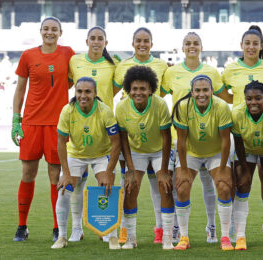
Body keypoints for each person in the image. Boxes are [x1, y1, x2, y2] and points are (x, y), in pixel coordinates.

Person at [161, 32, 231, 244]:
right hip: (186, 143)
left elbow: (226, 98)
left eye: (195, 43)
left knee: (218, 185)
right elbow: (158, 94)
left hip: (213, 145)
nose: (192, 46)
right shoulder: (172, 74)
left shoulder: (212, 73)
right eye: (188, 43)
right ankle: (180, 232)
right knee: (180, 185)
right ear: (182, 47)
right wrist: (182, 167)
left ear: (201, 46)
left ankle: (215, 228)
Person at [11, 16, 75, 242]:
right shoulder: (28, 55)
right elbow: (20, 89)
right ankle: (21, 226)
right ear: (40, 31)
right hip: (31, 122)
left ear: (61, 32)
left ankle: (58, 227)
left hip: (57, 124)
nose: (50, 32)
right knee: (28, 173)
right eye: (46, 28)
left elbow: (75, 78)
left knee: (54, 175)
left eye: (54, 29)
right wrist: (16, 120)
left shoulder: (68, 53)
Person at [222, 25, 263, 243]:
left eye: (255, 43)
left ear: (261, 46)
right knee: (241, 181)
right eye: (247, 43)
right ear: (241, 46)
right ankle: (237, 231)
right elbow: (222, 94)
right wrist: (239, 105)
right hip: (241, 131)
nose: (251, 47)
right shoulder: (230, 69)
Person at [51, 77, 121, 249]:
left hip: (101, 155)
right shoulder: (67, 110)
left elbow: (116, 143)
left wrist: (109, 171)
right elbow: (61, 142)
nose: (83, 95)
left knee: (107, 186)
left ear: (95, 93)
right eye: (79, 91)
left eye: (88, 91)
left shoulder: (104, 111)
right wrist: (66, 174)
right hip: (76, 155)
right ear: (75, 92)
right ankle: (64, 236)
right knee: (64, 190)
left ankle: (110, 234)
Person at [113, 27, 168, 244]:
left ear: (152, 44)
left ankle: (162, 231)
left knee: (161, 187)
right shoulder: (122, 67)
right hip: (134, 139)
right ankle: (127, 233)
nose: (142, 44)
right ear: (132, 43)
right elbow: (111, 90)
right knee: (129, 186)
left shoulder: (162, 65)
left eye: (146, 41)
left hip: (155, 132)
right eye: (138, 40)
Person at [67, 26, 120, 243]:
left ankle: (104, 228)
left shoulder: (112, 63)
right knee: (77, 185)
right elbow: (68, 85)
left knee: (105, 182)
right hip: (79, 128)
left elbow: (114, 90)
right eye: (93, 38)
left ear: (105, 43)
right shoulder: (74, 61)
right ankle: (76, 229)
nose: (96, 42)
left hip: (104, 130)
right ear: (86, 41)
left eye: (100, 39)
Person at [172, 75, 233, 251]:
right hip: (191, 152)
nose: (201, 94)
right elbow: (181, 142)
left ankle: (225, 237)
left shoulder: (221, 106)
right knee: (182, 186)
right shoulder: (183, 107)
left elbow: (225, 141)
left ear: (212, 91)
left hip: (215, 152)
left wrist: (222, 168)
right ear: (191, 92)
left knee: (224, 186)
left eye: (205, 90)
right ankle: (183, 237)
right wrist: (183, 169)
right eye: (197, 90)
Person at [231, 80, 263, 251]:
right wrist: (245, 169)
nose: (253, 102)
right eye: (249, 99)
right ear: (244, 99)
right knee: (243, 184)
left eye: (258, 98)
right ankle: (240, 235)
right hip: (246, 149)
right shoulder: (237, 113)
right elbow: (238, 143)